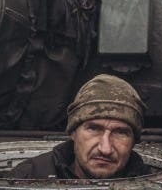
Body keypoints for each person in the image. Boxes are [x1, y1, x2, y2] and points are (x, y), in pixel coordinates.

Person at [11, 74, 151, 179]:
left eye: (120, 132)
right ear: (73, 132)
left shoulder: (156, 184)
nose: (105, 149)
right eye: (94, 129)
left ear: (134, 141)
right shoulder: (29, 177)